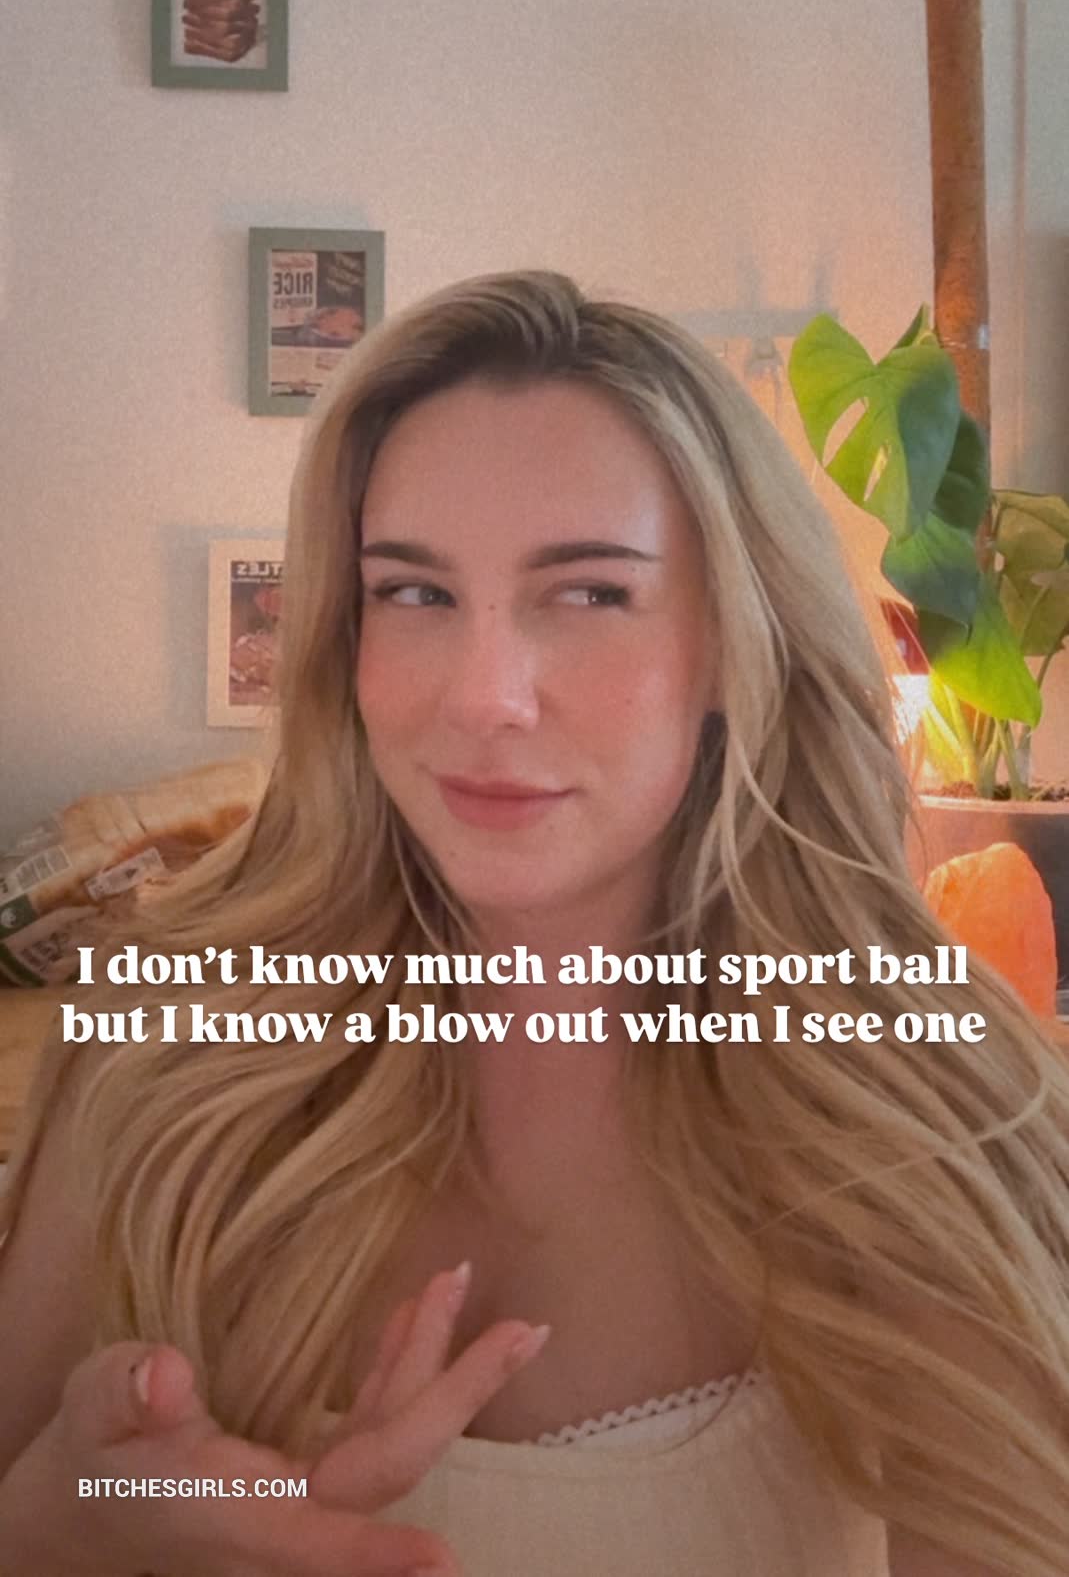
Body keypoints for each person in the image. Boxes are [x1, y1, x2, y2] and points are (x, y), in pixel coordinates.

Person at [1, 270, 1067, 1577]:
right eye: (414, 594)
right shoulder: (162, 1035)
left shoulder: (929, 1101)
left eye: (591, 593)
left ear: (733, 642)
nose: (484, 697)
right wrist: (76, 1506)